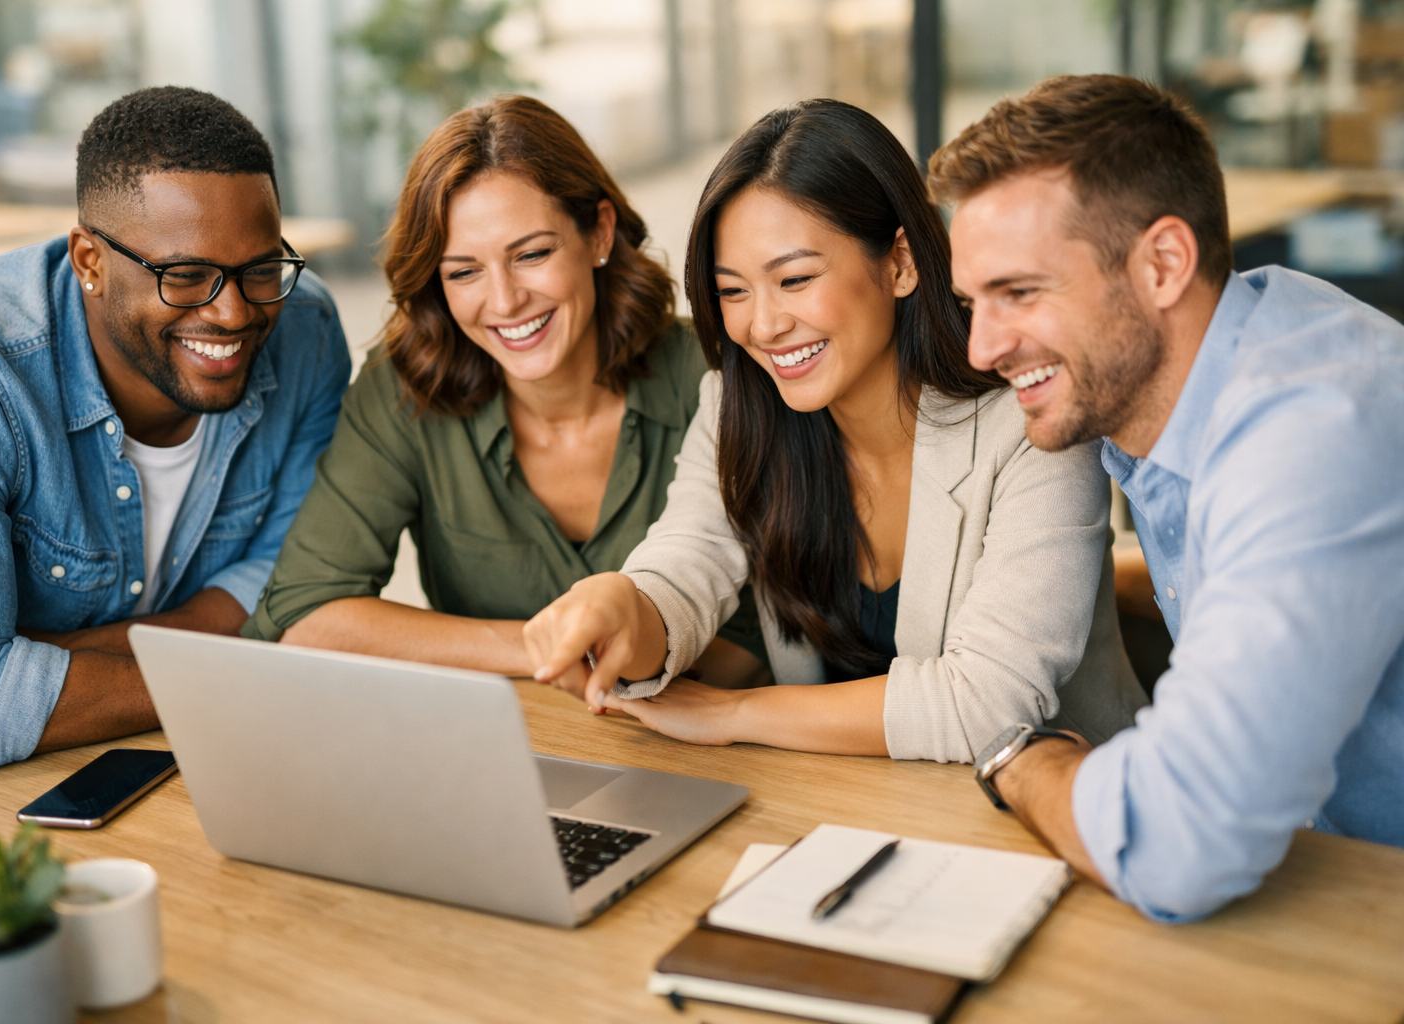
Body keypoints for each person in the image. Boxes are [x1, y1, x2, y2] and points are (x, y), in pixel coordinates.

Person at [521, 99, 1147, 760]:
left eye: (794, 279)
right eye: (732, 291)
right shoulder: (740, 403)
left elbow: (989, 702)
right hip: (847, 803)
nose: (762, 326)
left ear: (900, 262)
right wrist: (625, 604)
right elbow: (685, 564)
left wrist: (734, 711)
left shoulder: (1032, 421)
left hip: (1061, 816)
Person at [929, 74, 1404, 920]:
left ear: (1163, 264)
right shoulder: (1215, 361)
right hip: (1321, 886)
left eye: (1020, 292)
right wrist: (1106, 583)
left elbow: (1177, 845)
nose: (980, 347)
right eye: (974, 301)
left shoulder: (1313, 433)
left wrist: (1024, 761)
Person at [0, 87, 351, 770]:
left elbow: (294, 584)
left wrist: (32, 667)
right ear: (89, 261)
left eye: (261, 268)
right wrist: (229, 669)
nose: (235, 313)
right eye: (186, 276)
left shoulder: (306, 329)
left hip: (186, 755)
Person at [244, 96, 767, 683]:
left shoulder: (721, 377)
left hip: (718, 747)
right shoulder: (403, 391)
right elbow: (303, 615)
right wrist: (551, 649)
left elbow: (768, 637)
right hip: (505, 749)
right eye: (464, 271)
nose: (505, 300)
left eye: (533, 254)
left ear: (599, 231)